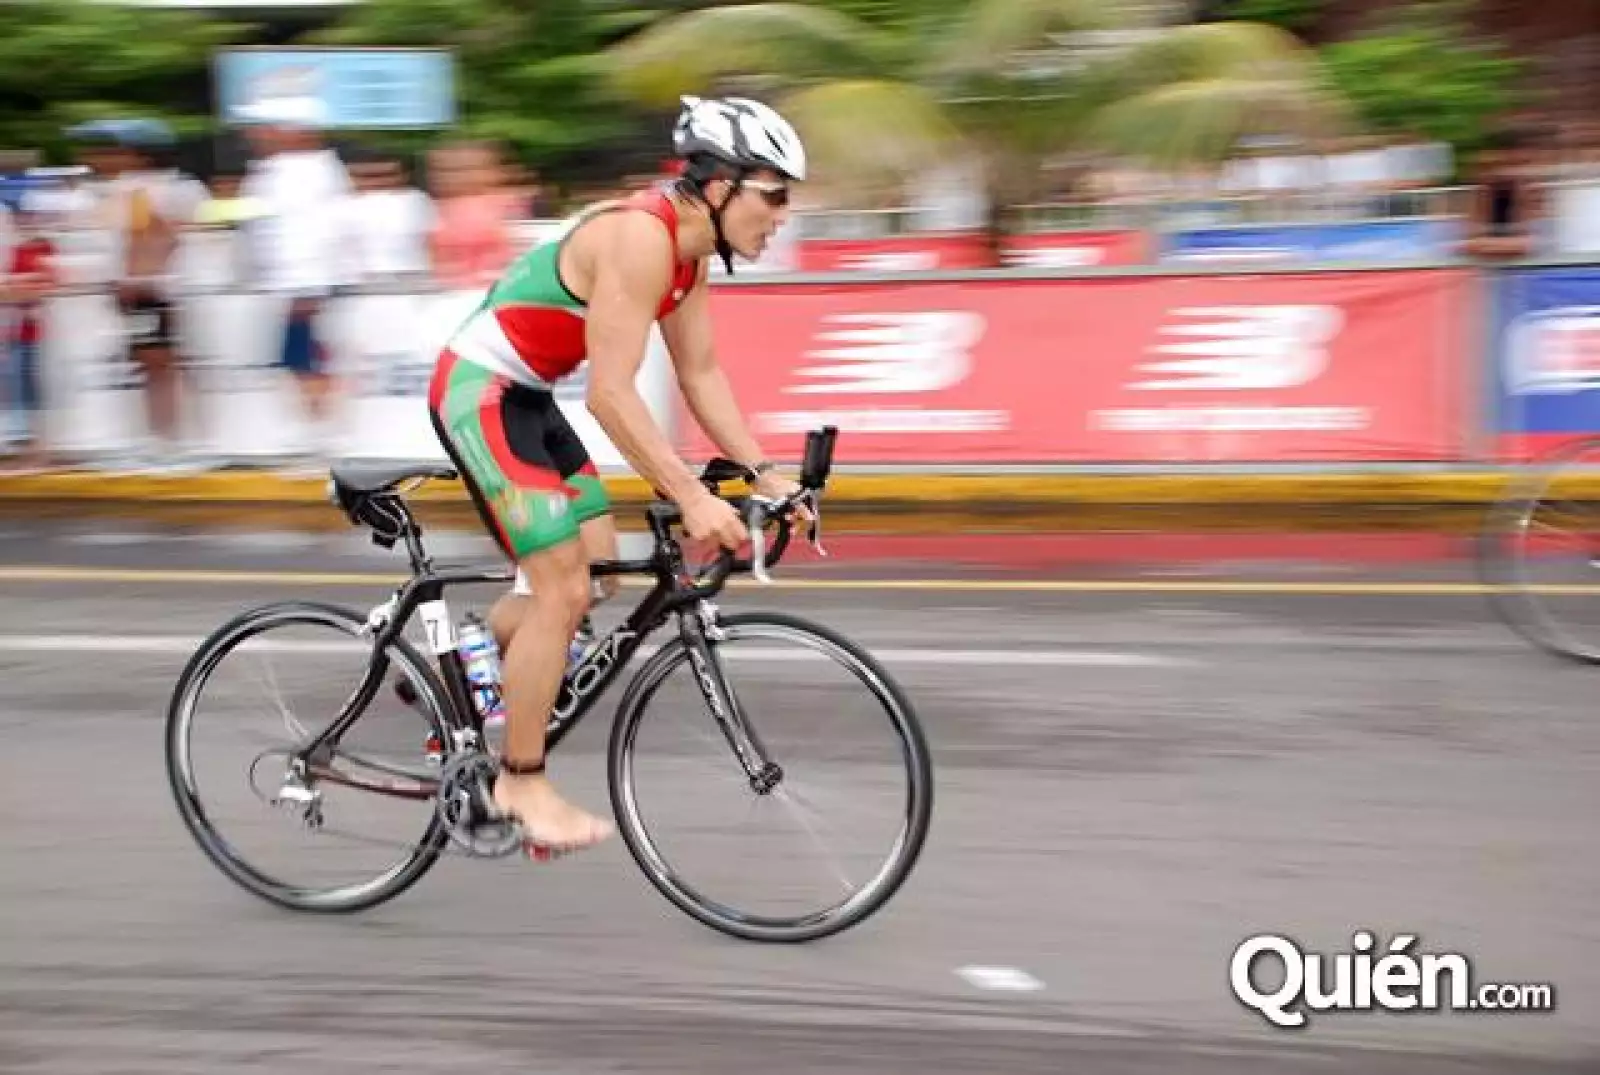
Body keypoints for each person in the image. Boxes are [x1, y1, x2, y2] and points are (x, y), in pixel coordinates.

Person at [427, 95, 809, 859]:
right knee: (562, 587)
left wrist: (766, 473)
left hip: (528, 397)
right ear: (720, 184)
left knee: (592, 577)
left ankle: (472, 658)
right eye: (773, 195)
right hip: (480, 391)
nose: (782, 215)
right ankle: (519, 782)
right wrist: (693, 496)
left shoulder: (691, 254)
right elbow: (609, 393)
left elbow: (700, 373)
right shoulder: (641, 238)